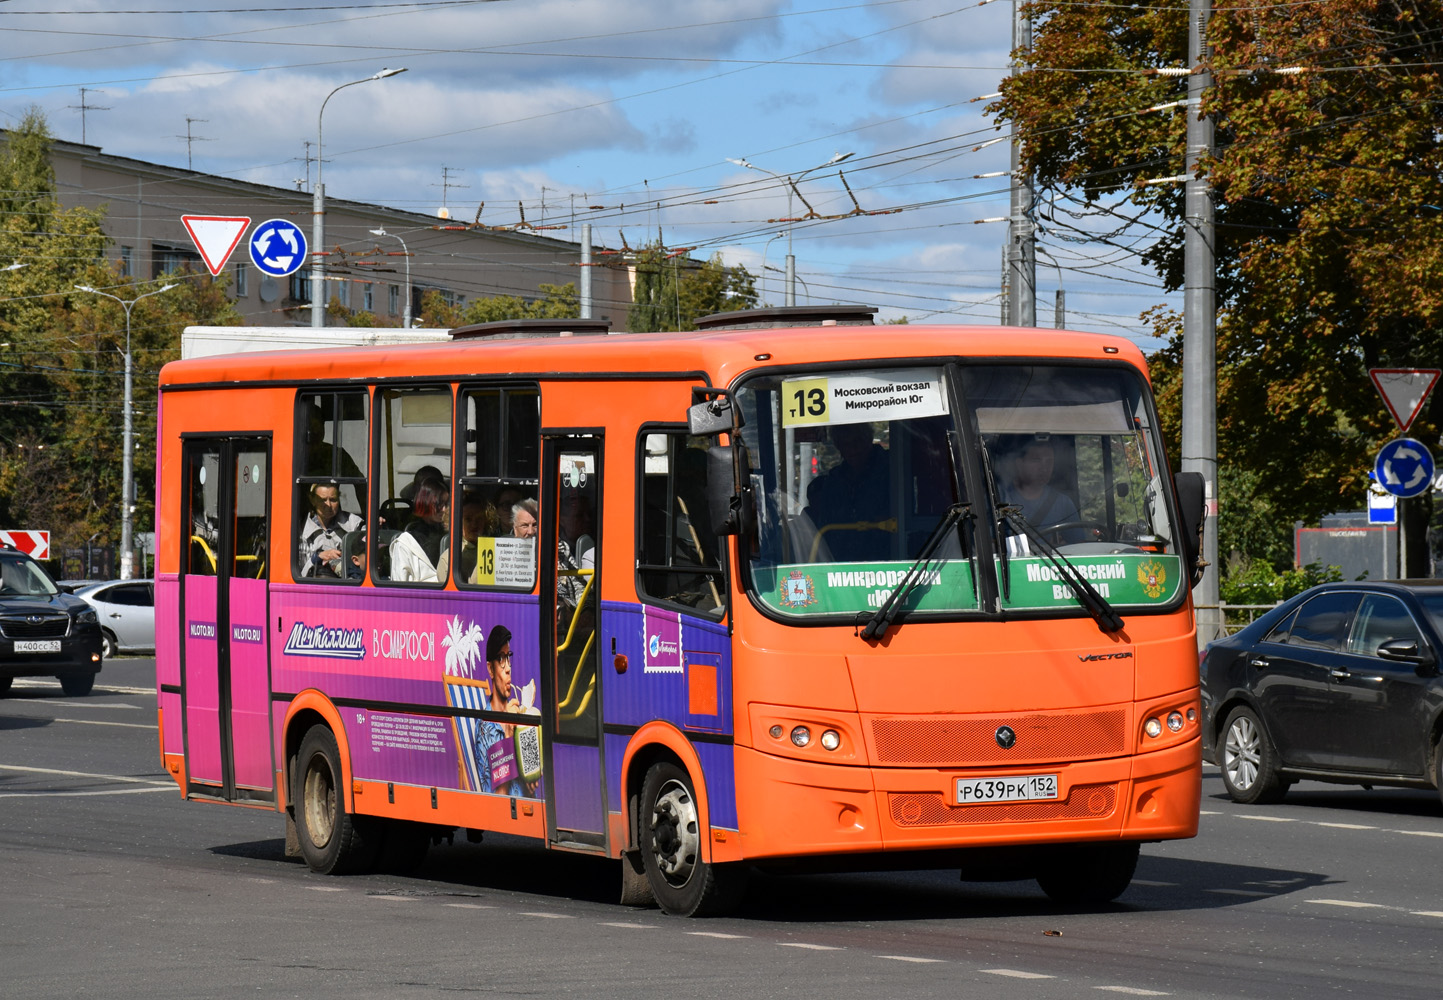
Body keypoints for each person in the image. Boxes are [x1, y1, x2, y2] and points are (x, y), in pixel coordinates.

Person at [803, 421, 891, 560]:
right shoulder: (834, 481)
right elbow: (825, 526)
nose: (852, 449)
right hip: (841, 565)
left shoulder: (891, 470)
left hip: (891, 559)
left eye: (857, 441)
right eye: (845, 444)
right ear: (839, 448)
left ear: (868, 439)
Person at [474, 625, 538, 797]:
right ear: (490, 669)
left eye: (508, 657)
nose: (508, 668)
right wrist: (509, 734)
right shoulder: (486, 727)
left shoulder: (515, 711)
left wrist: (532, 774)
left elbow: (531, 776)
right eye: (501, 659)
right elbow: (500, 797)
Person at [388, 477, 447, 582]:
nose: (444, 509)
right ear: (425, 503)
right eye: (439, 504)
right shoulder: (405, 543)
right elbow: (399, 585)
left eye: (447, 504)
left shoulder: (452, 537)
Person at [299, 483, 364, 578]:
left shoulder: (355, 524)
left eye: (333, 500)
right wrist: (317, 557)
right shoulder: (301, 530)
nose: (328, 505)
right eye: (323, 500)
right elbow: (298, 574)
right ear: (312, 500)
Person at [304, 403, 363, 480]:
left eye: (318, 426)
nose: (316, 431)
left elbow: (360, 482)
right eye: (312, 427)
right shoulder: (293, 455)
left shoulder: (335, 454)